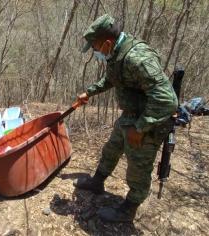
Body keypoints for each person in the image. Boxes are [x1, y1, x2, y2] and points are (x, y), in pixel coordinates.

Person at [73, 14, 178, 222]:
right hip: (129, 116)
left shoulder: (137, 58)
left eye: (95, 47)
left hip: (147, 122)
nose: (94, 52)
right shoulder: (117, 52)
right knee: (111, 150)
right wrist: (90, 92)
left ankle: (128, 210)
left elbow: (167, 99)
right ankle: (97, 182)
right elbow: (114, 77)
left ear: (108, 42)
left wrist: (140, 128)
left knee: (138, 170)